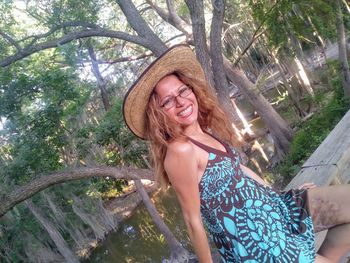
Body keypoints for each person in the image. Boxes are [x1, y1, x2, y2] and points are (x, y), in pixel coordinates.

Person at [123, 44, 350, 263]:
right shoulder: (180, 150)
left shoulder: (205, 133)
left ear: (192, 89)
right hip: (258, 242)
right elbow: (192, 220)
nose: (181, 101)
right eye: (168, 101)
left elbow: (239, 171)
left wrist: (278, 193)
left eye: (183, 90)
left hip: (275, 210)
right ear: (158, 114)